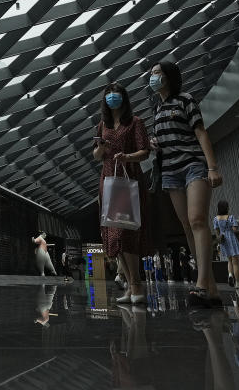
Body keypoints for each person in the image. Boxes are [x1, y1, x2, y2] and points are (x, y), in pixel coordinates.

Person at [149, 61, 222, 308]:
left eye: (157, 73)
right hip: (170, 171)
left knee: (197, 220)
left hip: (193, 165)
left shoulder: (185, 100)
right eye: (151, 74)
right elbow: (163, 138)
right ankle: (210, 287)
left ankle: (201, 284)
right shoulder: (157, 110)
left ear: (169, 77)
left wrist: (212, 167)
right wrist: (155, 143)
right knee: (186, 226)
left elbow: (201, 132)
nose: (153, 77)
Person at [92, 82, 151, 305]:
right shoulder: (103, 125)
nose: (112, 97)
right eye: (108, 94)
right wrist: (101, 149)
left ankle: (136, 285)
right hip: (107, 182)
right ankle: (131, 286)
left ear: (124, 98)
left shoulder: (135, 122)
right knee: (115, 237)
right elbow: (96, 155)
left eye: (115, 93)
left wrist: (127, 157)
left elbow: (145, 151)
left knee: (126, 234)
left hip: (127, 181)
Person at [213, 200, 239, 289]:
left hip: (223, 241)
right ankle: (237, 283)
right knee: (236, 263)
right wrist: (238, 223)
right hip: (231, 239)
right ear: (226, 208)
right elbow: (234, 230)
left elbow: (217, 232)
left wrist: (220, 240)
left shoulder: (215, 219)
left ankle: (230, 274)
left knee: (229, 261)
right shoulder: (231, 217)